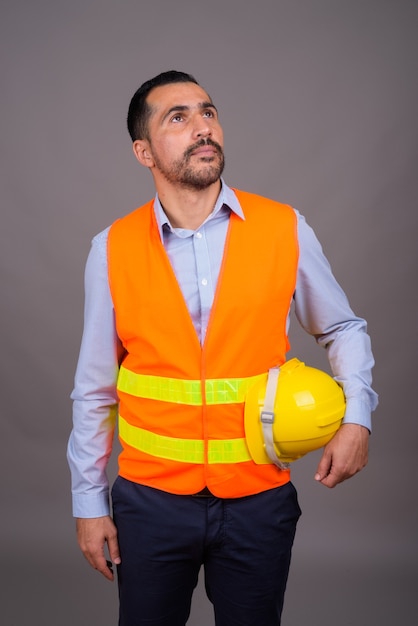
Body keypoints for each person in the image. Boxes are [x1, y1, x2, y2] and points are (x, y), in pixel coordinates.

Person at [67, 70, 378, 626]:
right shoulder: (110, 248)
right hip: (150, 503)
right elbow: (94, 389)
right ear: (143, 151)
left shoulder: (285, 227)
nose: (202, 128)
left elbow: (343, 327)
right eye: (178, 118)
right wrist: (89, 505)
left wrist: (358, 418)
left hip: (258, 498)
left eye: (207, 113)